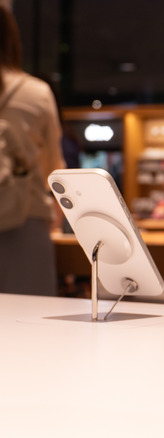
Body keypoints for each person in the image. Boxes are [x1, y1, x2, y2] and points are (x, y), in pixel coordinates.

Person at [0, 6, 64, 295]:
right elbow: (54, 167)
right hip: (25, 219)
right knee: (29, 327)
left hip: (27, 219)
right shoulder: (35, 92)